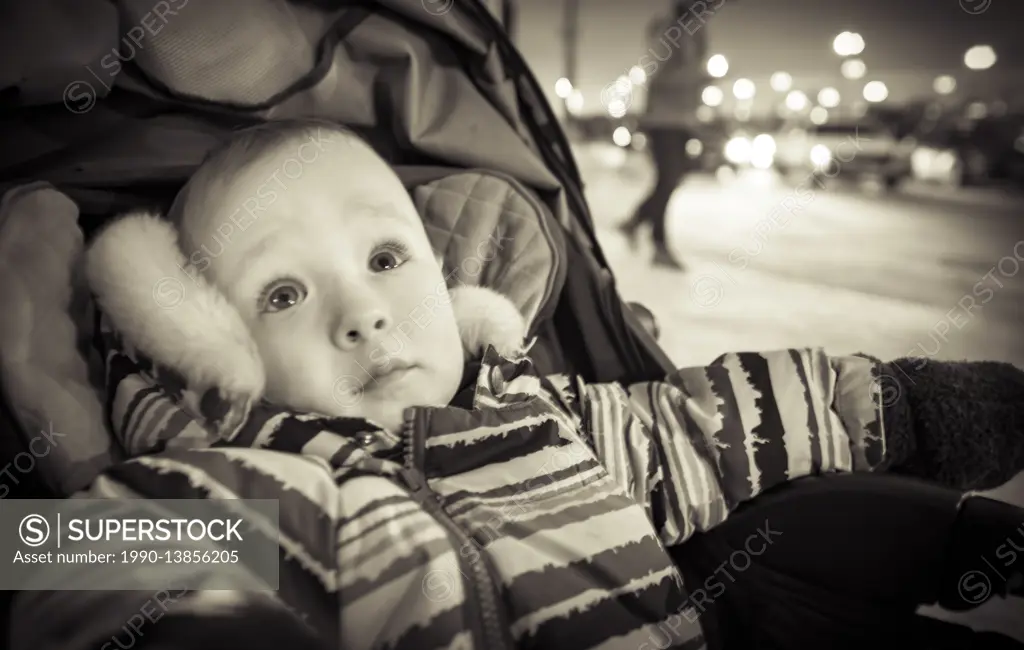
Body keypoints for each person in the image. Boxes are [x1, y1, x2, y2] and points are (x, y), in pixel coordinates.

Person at [28, 119, 1024, 650]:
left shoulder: (546, 415)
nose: (364, 314)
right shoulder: (256, 490)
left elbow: (704, 422)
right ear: (215, 347)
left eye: (384, 259)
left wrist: (894, 404)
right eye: (283, 290)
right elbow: (61, 558)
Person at [619, 0, 712, 269]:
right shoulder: (669, 32)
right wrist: (697, 77)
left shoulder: (694, 33)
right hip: (663, 119)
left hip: (682, 120)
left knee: (671, 179)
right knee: (668, 179)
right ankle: (656, 242)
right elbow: (658, 74)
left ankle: (637, 223)